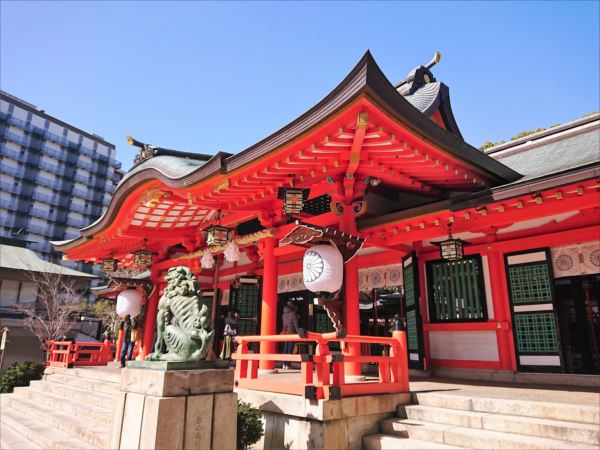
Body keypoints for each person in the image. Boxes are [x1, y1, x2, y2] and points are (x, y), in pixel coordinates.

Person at [281, 301, 299, 370]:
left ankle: (284, 364)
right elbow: (296, 325)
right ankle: (288, 364)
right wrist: (299, 332)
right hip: (292, 333)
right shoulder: (293, 313)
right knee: (290, 349)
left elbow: (284, 325)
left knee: (285, 349)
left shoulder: (284, 314)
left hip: (286, 334)